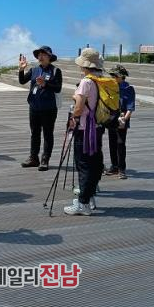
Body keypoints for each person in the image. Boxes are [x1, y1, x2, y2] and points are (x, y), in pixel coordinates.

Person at [64, 48, 105, 216]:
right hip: (98, 127)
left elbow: (79, 108)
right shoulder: (101, 79)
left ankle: (83, 203)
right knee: (95, 164)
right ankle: (89, 197)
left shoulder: (86, 82)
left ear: (84, 65)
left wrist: (73, 117)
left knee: (83, 165)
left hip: (84, 129)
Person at [18, 46, 63, 170]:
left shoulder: (55, 71)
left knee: (48, 134)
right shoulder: (34, 70)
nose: (40, 57)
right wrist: (21, 69)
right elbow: (22, 81)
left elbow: (58, 88)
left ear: (49, 57)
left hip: (49, 108)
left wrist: (45, 84)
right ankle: (34, 158)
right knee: (35, 133)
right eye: (39, 54)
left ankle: (45, 159)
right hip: (34, 107)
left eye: (43, 54)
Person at [104, 65, 135, 179]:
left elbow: (130, 107)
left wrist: (124, 120)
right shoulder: (111, 87)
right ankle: (114, 166)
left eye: (114, 75)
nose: (112, 77)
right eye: (112, 75)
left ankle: (122, 169)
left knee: (120, 143)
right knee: (112, 142)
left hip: (122, 117)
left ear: (121, 76)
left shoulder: (128, 88)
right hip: (111, 118)